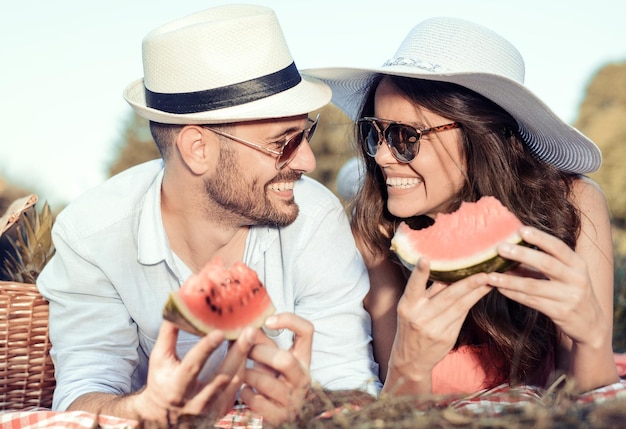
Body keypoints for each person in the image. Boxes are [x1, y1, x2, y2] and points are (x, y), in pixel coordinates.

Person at [37, 4, 380, 426]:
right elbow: (83, 392)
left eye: (304, 134)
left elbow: (352, 383)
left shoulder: (315, 218)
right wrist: (140, 410)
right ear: (199, 149)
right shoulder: (91, 235)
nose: (307, 160)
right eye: (282, 143)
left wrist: (312, 408)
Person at [304, 16, 620, 396]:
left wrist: (592, 338)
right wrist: (408, 364)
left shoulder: (574, 205)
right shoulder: (376, 234)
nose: (383, 156)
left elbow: (591, 402)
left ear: (480, 138)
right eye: (375, 132)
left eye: (406, 137)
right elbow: (399, 412)